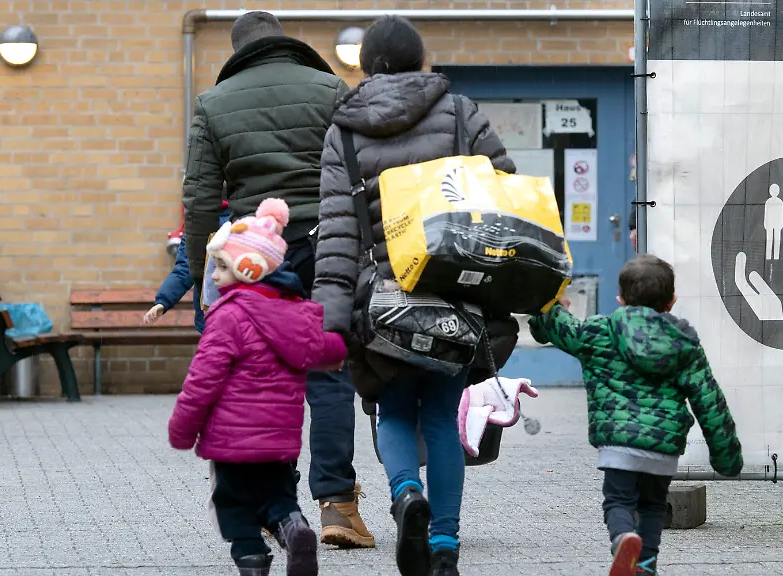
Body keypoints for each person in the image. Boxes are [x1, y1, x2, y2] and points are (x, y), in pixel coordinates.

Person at [311, 15, 519, 576]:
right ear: (420, 59)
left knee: (393, 410)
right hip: (455, 291)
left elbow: (336, 230)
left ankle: (406, 495)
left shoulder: (344, 131)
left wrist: (331, 317)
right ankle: (445, 548)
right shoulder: (460, 112)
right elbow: (505, 191)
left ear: (366, 63)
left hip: (381, 298)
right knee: (444, 412)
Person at [180, 11, 375, 548]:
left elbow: (198, 198)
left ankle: (275, 505)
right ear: (287, 45)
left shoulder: (212, 104)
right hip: (329, 244)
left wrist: (204, 276)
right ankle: (337, 504)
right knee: (329, 370)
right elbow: (361, 174)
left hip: (255, 253)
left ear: (238, 52)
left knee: (263, 375)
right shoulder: (330, 88)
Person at [528, 254, 744, 576]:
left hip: (618, 445)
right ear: (671, 302)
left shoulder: (599, 331)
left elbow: (560, 329)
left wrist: (550, 308)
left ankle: (623, 539)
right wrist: (727, 458)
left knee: (618, 502)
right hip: (662, 449)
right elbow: (709, 400)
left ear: (620, 299)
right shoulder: (684, 344)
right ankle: (644, 566)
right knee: (653, 507)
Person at [168, 199, 348, 576]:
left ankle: (252, 564)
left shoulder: (227, 317)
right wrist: (341, 349)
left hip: (230, 443)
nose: (213, 278)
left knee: (234, 505)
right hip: (279, 444)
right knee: (278, 498)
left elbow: (203, 380)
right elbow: (323, 348)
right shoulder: (296, 315)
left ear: (248, 270)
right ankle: (293, 527)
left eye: (221, 267)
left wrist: (182, 429)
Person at [144, 202, 231, 333]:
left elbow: (184, 268)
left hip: (225, 314)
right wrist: (163, 301)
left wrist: (162, 301)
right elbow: (184, 268)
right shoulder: (198, 222)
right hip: (213, 317)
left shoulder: (243, 219)